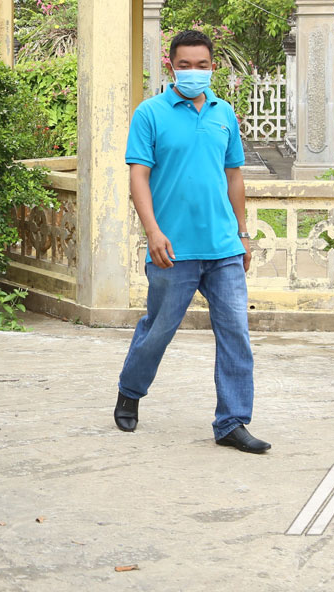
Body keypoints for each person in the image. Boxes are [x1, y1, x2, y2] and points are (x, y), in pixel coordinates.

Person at [113, 29, 270, 454]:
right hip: (172, 248)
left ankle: (232, 421)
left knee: (236, 332)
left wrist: (242, 233)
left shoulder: (224, 113)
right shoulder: (150, 113)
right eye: (185, 65)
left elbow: (234, 175)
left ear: (212, 67)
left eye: (202, 66)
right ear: (171, 66)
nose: (194, 73)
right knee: (159, 328)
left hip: (223, 247)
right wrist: (152, 231)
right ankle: (131, 389)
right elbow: (138, 176)